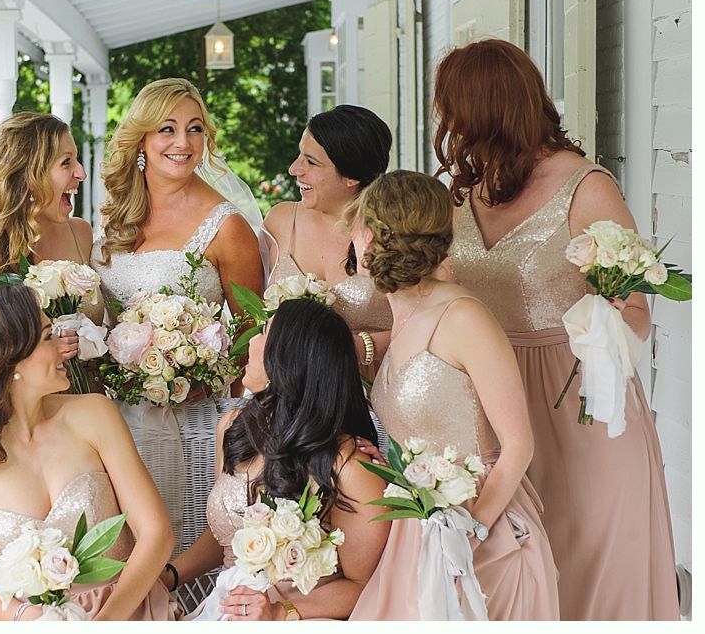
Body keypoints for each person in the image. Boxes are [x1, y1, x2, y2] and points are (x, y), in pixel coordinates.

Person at [436, 39, 678, 620]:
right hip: (487, 404)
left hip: (575, 405)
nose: (446, 122)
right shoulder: (461, 191)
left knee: (585, 564)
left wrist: (602, 314)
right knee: (503, 573)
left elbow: (638, 315)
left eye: (453, 106)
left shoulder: (586, 187)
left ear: (486, 107)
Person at [348, 170, 558, 620]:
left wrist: (472, 531)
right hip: (418, 525)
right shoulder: (402, 317)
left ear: (368, 236)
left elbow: (518, 444)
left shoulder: (464, 317)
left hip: (482, 531)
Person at [0, 284, 178, 620]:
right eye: (48, 337)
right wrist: (36, 621)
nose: (64, 346)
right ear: (9, 359)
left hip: (131, 611)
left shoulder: (94, 414)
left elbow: (156, 534)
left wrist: (107, 621)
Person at [90, 78, 264, 565]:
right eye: (167, 129)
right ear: (142, 140)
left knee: (187, 540)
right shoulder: (114, 215)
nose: (183, 143)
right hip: (117, 418)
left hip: (195, 420)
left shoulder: (226, 226)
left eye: (194, 129)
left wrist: (196, 373)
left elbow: (253, 329)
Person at [165, 298, 390, 620]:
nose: (251, 342)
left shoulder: (351, 469)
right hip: (225, 609)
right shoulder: (234, 427)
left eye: (263, 332)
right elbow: (227, 536)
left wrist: (280, 611)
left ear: (288, 359)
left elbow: (367, 585)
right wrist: (169, 576)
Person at [263, 104, 393, 380]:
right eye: (300, 155)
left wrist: (359, 348)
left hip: (375, 401)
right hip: (291, 401)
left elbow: (430, 323)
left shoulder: (395, 233)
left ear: (351, 177)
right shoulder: (280, 221)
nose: (294, 169)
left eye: (311, 162)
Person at [0, 111, 99, 366]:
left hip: (91, 391)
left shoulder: (81, 233)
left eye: (76, 160)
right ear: (28, 176)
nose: (81, 173)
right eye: (66, 162)